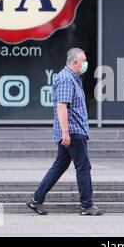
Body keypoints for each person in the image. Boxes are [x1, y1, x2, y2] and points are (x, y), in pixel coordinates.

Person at [27, 48, 105, 216]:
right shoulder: (66, 79)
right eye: (84, 61)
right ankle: (87, 205)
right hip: (72, 131)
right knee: (83, 166)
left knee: (60, 165)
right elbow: (62, 106)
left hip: (74, 130)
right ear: (75, 62)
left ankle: (36, 200)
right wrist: (65, 133)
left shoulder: (74, 79)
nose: (86, 64)